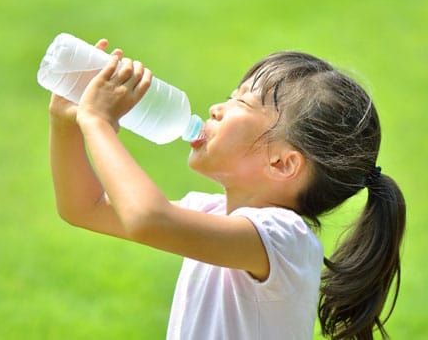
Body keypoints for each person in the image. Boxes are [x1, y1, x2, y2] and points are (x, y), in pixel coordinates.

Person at [48, 38, 406, 340]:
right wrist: (67, 124)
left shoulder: (285, 240)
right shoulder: (210, 212)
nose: (216, 109)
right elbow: (84, 207)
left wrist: (97, 123)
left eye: (241, 103)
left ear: (282, 163)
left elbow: (146, 218)